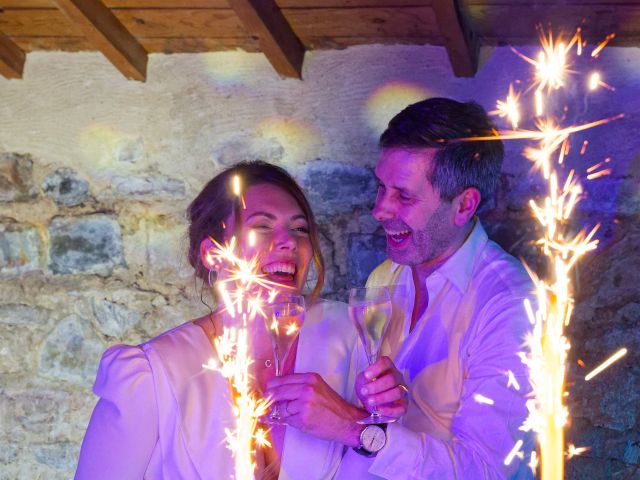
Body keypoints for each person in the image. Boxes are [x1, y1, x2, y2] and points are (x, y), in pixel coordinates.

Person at [75, 161, 381, 479]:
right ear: (213, 254)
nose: (289, 241)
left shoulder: (351, 338)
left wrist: (358, 428)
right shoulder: (151, 376)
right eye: (262, 226)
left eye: (300, 228)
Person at [335, 98, 534, 479]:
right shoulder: (385, 277)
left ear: (464, 205)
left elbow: (488, 470)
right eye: (382, 188)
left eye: (404, 196)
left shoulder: (510, 304)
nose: (380, 210)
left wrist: (350, 427)